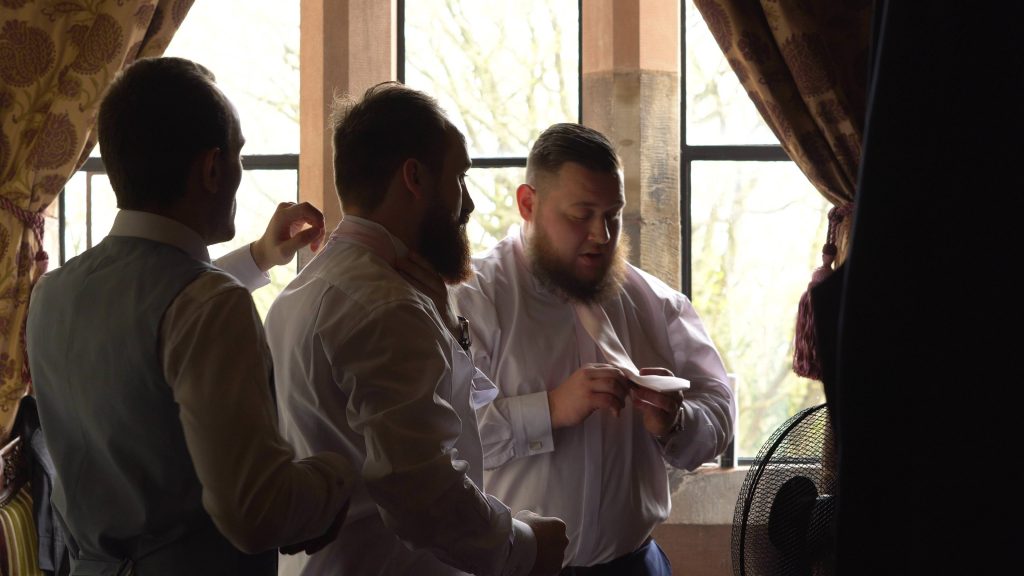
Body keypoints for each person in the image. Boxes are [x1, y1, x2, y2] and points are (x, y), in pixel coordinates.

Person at [25, 56, 355, 575]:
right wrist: (340, 470)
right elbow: (255, 513)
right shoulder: (208, 304)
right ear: (210, 168)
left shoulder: (51, 293)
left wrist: (259, 257)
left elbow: (148, 324)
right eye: (239, 153)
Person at [263, 81, 568, 576]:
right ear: (415, 177)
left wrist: (445, 322)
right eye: (460, 178)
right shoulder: (386, 307)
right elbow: (423, 493)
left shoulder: (305, 290)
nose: (466, 205)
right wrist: (525, 546)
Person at [453, 123, 736, 575]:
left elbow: (720, 412)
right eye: (580, 215)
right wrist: (550, 409)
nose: (602, 235)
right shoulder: (472, 301)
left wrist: (676, 423)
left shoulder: (655, 303)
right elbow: (445, 441)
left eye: (613, 214)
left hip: (636, 564)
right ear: (528, 204)